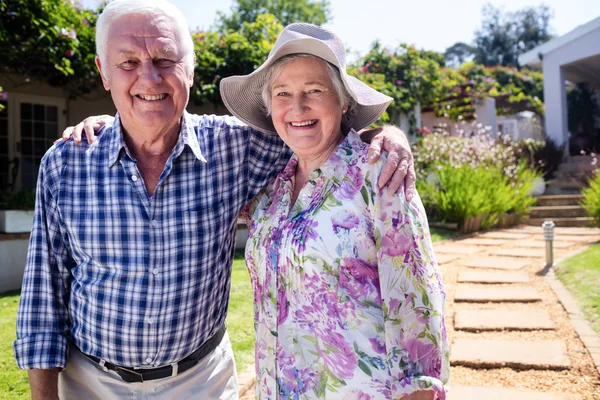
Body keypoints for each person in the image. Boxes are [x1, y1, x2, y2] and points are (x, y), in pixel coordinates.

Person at [14, 1, 415, 399]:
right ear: (104, 73)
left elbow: (314, 132)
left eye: (165, 59)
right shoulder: (67, 164)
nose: (149, 78)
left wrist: (384, 137)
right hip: (91, 384)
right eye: (128, 63)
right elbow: (42, 297)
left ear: (190, 68)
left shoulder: (238, 148)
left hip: (200, 382)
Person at [219, 23, 449, 399]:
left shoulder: (380, 176)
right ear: (270, 106)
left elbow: (417, 304)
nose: (297, 107)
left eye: (314, 90)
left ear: (343, 101)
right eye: (283, 94)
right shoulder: (269, 193)